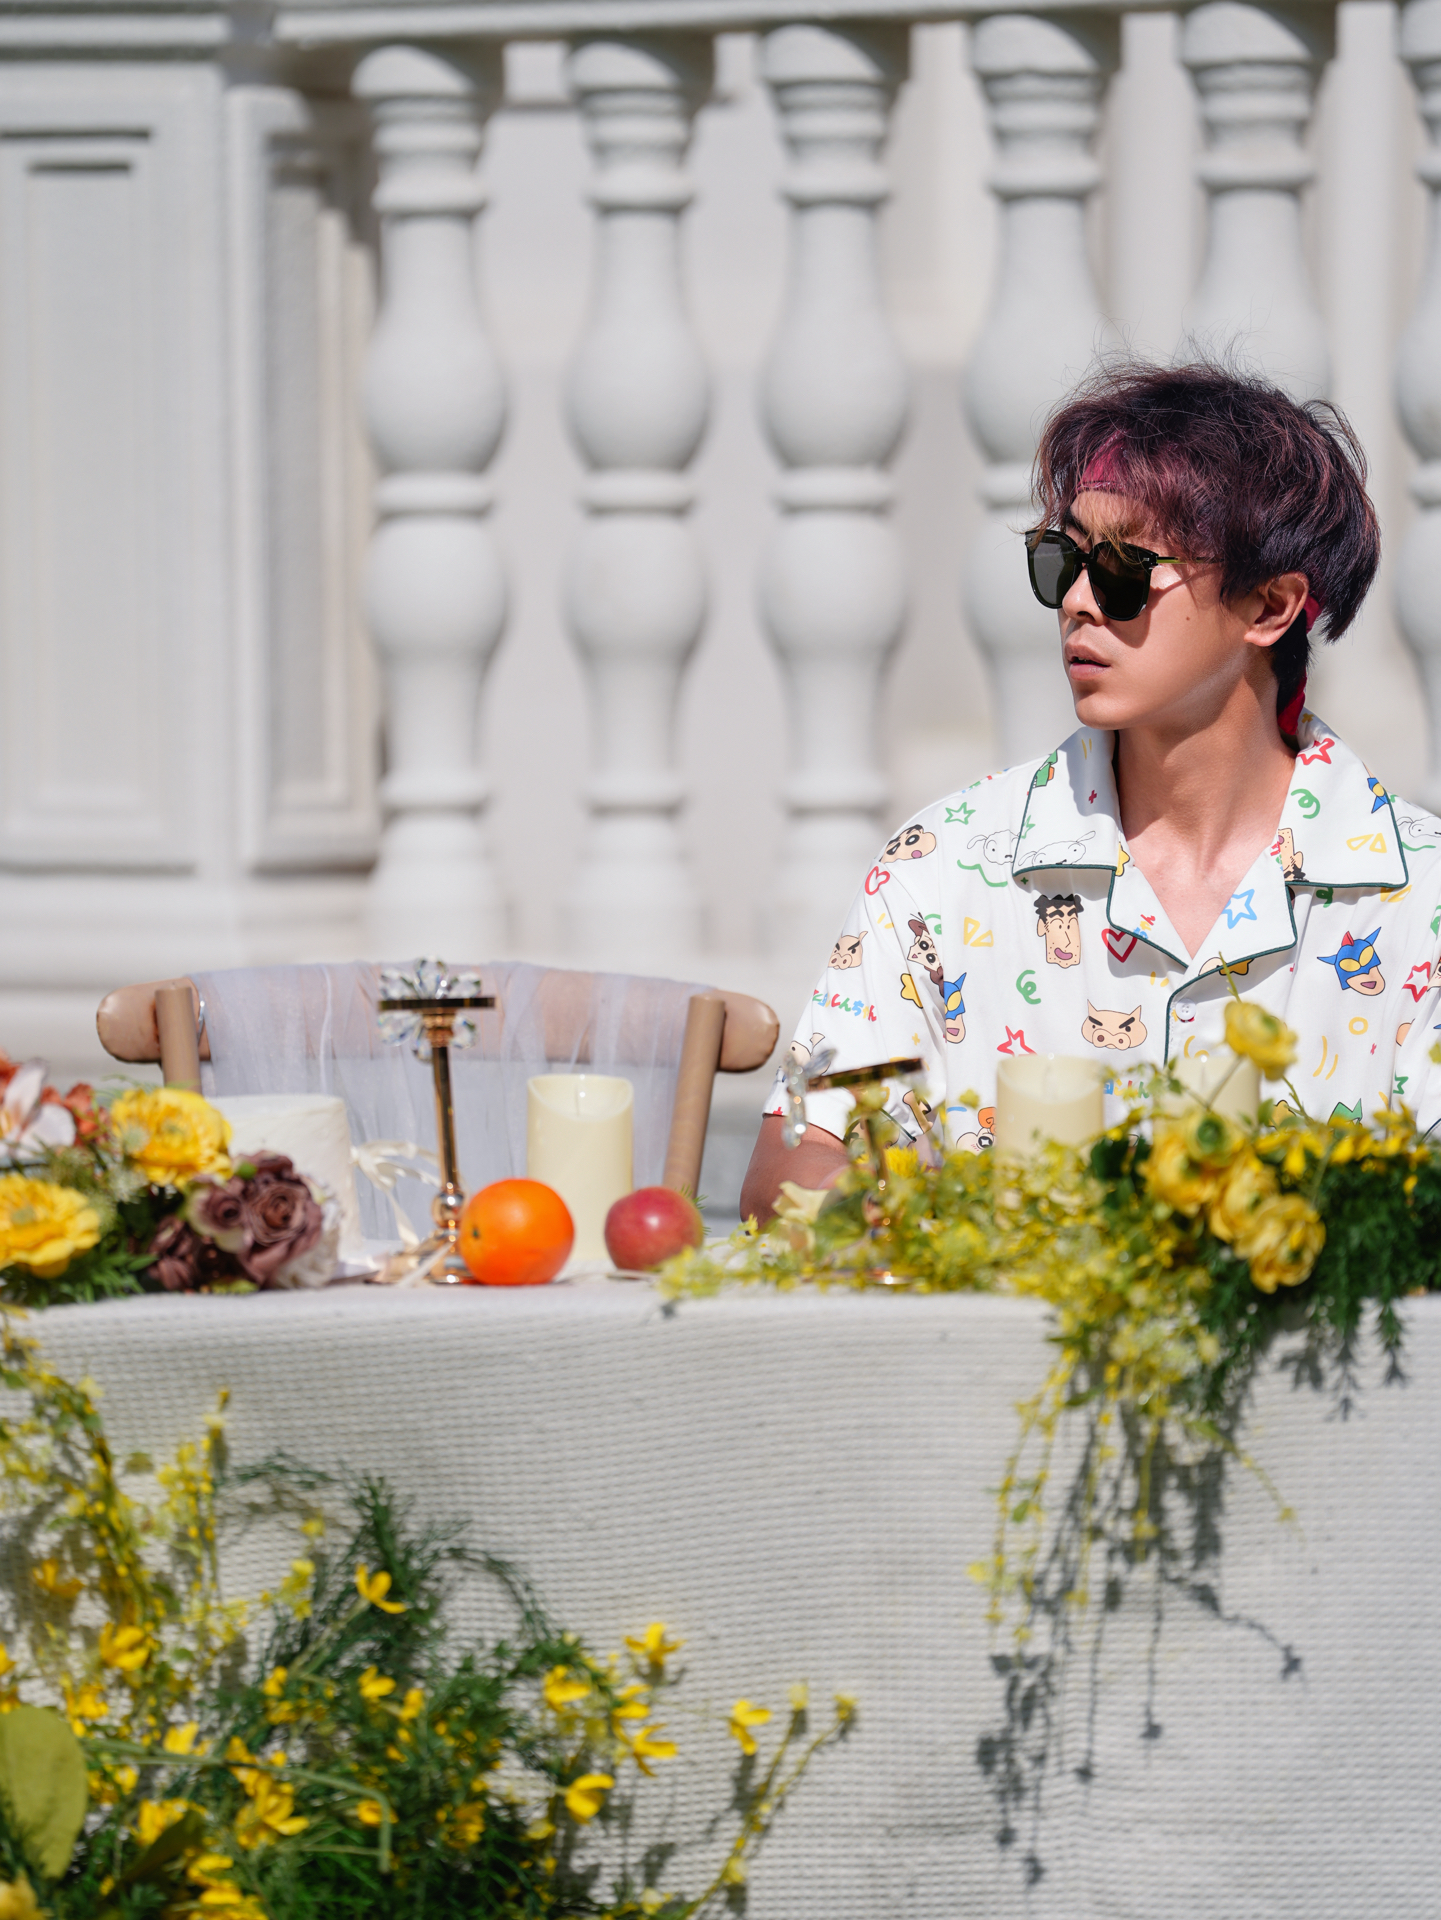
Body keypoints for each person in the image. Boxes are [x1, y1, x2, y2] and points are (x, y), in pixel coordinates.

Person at [741, 360, 1441, 1222]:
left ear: (1269, 607)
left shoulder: (1419, 901)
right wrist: (962, 1233)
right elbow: (797, 1154)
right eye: (1062, 559)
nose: (1075, 599)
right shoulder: (945, 864)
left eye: (1122, 568)